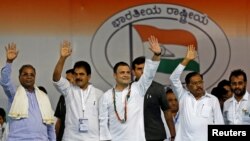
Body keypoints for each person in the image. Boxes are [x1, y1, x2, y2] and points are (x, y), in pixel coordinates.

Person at [99, 35, 161, 141]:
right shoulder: (106, 96)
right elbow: (103, 122)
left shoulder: (138, 88)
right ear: (114, 75)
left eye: (128, 72)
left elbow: (149, 73)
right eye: (122, 72)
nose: (126, 75)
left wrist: (157, 54)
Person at [0, 43, 55, 140]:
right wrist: (9, 62)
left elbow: (50, 127)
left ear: (35, 77)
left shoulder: (43, 97)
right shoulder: (14, 94)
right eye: (25, 74)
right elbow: (5, 81)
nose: (29, 76)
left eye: (31, 74)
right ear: (19, 77)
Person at [169, 45, 224, 141]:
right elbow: (173, 78)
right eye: (194, 83)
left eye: (200, 82)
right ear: (187, 86)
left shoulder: (213, 100)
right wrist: (186, 60)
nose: (199, 85)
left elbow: (219, 124)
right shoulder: (183, 96)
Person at [52, 40, 103, 141]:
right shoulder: (69, 90)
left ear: (89, 77)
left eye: (82, 74)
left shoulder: (99, 94)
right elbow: (56, 78)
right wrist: (62, 58)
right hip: (71, 138)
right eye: (76, 74)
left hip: (93, 138)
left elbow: (104, 120)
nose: (78, 77)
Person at [132, 56, 175, 141]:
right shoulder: (128, 89)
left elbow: (167, 112)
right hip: (134, 135)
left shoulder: (158, 88)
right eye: (139, 69)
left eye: (145, 69)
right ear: (133, 72)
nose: (143, 71)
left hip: (156, 135)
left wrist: (173, 134)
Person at [54, 68, 74, 141]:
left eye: (68, 80)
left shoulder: (84, 97)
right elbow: (59, 120)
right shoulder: (63, 97)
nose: (66, 83)